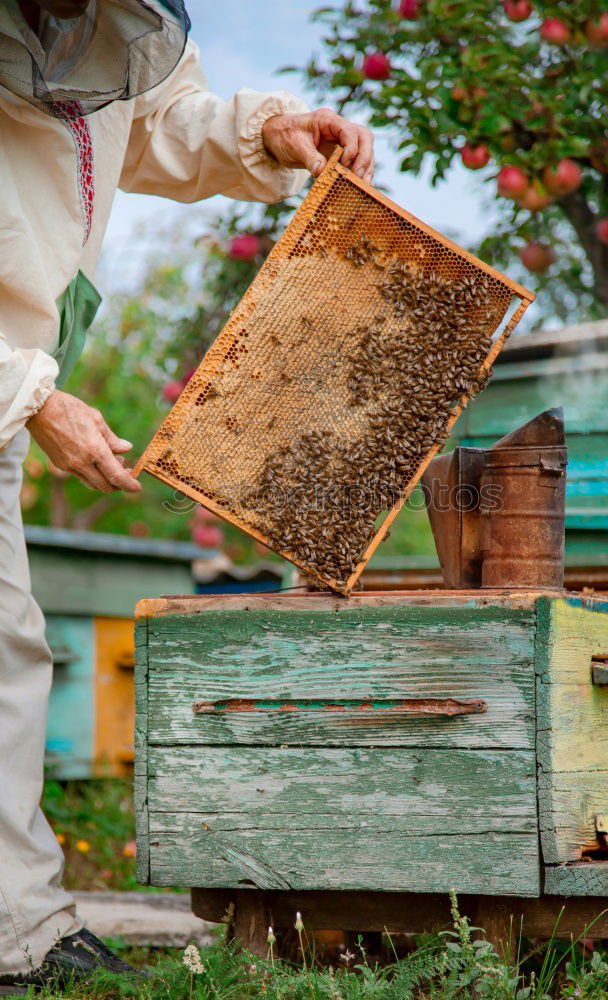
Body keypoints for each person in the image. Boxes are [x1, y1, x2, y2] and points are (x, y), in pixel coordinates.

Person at [0, 0, 374, 992]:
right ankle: (20, 935)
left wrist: (265, 130)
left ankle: (18, 927)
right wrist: (30, 392)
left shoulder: (107, 32)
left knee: (6, 648)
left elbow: (151, 115)